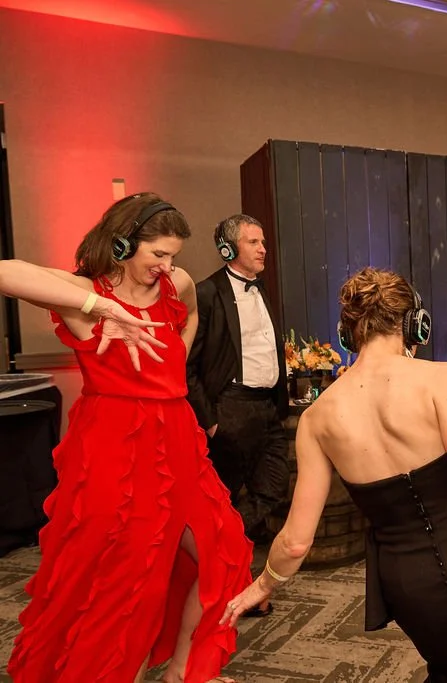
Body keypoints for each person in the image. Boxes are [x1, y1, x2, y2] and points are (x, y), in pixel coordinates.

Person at [221, 267, 447, 682]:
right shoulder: (440, 378)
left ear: (347, 334)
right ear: (415, 324)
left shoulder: (315, 419)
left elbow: (295, 542)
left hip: (407, 587)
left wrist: (262, 585)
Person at [1, 193, 250, 683]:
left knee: (225, 553)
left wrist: (175, 359)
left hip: (178, 438)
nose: (167, 266)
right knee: (128, 578)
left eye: (173, 255)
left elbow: (190, 316)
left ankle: (181, 670)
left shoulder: (177, 284)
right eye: (157, 253)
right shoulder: (83, 296)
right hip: (116, 445)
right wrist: (101, 308)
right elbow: (6, 271)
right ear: (121, 244)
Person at [186, 215, 289, 549]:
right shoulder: (207, 293)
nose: (263, 249)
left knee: (274, 484)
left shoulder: (261, 288)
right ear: (228, 249)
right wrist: (210, 421)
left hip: (267, 408)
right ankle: (216, 557)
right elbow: (188, 365)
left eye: (263, 242)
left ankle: (222, 541)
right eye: (253, 242)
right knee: (223, 492)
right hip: (231, 407)